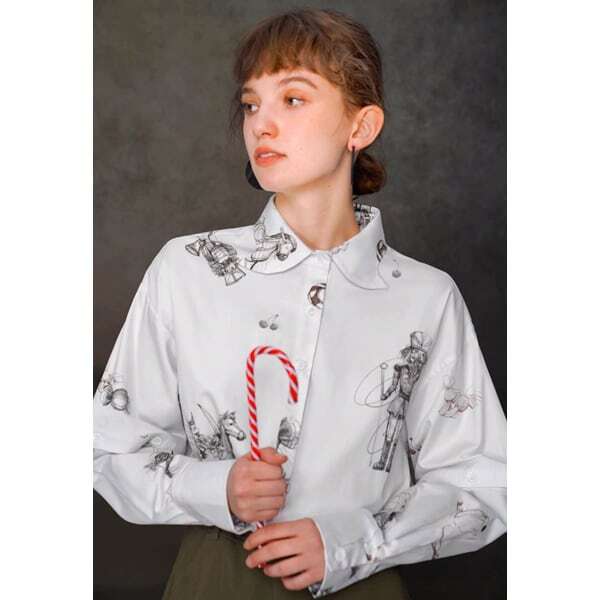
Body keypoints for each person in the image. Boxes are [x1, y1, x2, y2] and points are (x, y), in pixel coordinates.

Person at [93, 8, 507, 600]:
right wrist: (217, 487)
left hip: (362, 587)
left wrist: (352, 541)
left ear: (361, 125)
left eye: (292, 99)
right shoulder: (187, 270)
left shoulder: (425, 298)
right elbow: (109, 445)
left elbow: (483, 482)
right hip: (218, 579)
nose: (262, 124)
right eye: (251, 104)